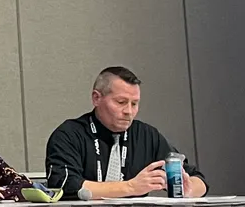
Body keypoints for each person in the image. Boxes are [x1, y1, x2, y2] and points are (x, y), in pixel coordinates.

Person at [45, 66, 207, 199]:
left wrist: (188, 190)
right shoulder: (69, 135)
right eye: (121, 102)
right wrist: (131, 187)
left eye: (134, 104)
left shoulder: (146, 135)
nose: (129, 111)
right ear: (96, 98)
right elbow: (65, 186)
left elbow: (197, 178)